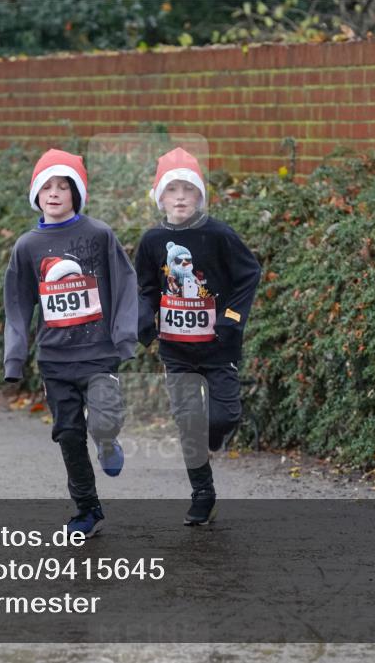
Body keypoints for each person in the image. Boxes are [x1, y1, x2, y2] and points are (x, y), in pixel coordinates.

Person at [3, 149, 138, 537]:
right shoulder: (27, 247)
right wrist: (15, 358)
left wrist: (125, 337)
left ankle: (109, 441)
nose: (54, 193)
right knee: (68, 434)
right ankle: (87, 510)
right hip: (55, 359)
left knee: (103, 419)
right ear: (36, 194)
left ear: (76, 192)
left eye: (63, 185)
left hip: (98, 353)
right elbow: (16, 304)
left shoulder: (98, 235)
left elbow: (126, 284)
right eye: (46, 186)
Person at [135, 147, 261, 525]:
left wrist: (231, 318)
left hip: (218, 347)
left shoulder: (218, 234)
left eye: (188, 191)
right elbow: (145, 287)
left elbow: (248, 275)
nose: (180, 198)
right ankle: (202, 494)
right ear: (161, 198)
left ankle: (204, 443)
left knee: (225, 417)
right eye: (172, 190)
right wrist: (145, 317)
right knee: (188, 420)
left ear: (199, 197)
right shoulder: (152, 240)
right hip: (176, 349)